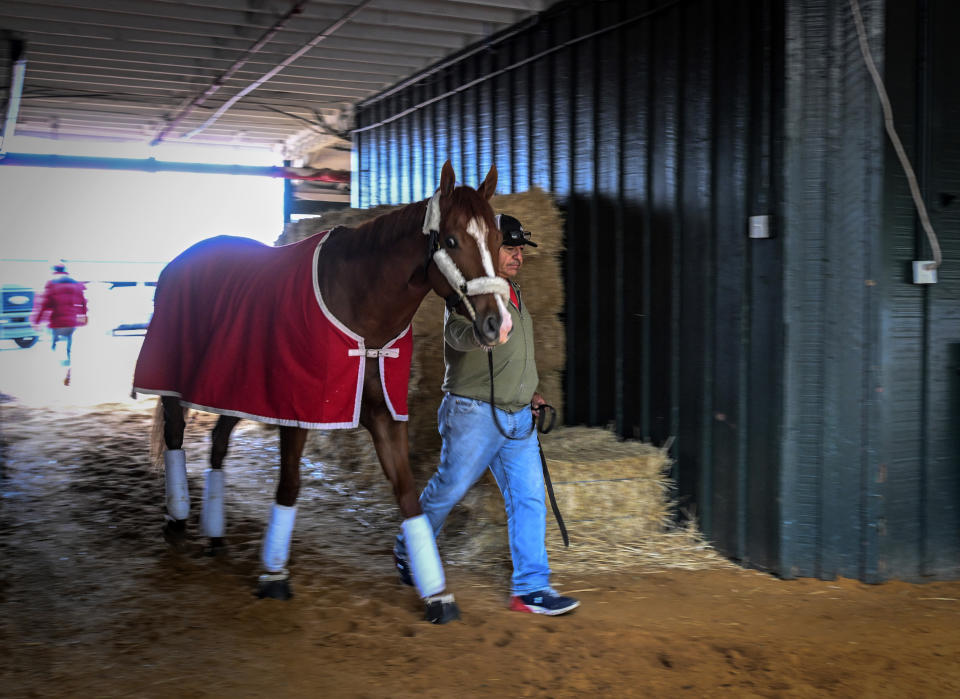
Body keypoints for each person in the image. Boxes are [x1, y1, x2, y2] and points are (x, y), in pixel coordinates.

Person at [394, 213, 579, 616]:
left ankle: (531, 589)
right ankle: (411, 548)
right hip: (474, 412)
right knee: (449, 489)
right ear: (489, 248)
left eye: (519, 250)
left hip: (517, 417)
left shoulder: (513, 292)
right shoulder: (468, 293)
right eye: (509, 248)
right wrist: (480, 335)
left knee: (529, 499)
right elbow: (454, 335)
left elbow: (518, 355)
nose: (516, 256)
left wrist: (529, 392)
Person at [32, 263, 88, 367]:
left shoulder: (52, 285)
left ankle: (54, 360)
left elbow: (44, 306)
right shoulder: (76, 285)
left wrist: (37, 322)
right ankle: (68, 359)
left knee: (55, 340)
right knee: (69, 337)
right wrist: (83, 315)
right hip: (71, 322)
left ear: (55, 273)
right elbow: (83, 302)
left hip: (57, 323)